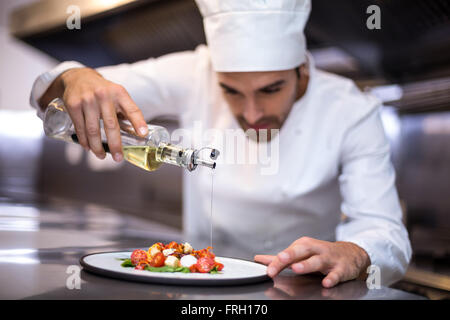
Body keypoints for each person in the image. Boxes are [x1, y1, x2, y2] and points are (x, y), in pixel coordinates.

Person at [29, 0, 411, 288]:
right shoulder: (195, 71)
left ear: (303, 71)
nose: (251, 112)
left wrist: (357, 251)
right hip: (197, 286)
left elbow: (385, 230)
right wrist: (75, 77)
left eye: (271, 89)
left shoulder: (352, 110)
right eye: (230, 91)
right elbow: (55, 95)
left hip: (302, 292)